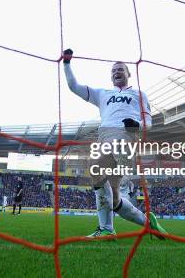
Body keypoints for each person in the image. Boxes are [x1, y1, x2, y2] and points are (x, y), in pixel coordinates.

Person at [62, 48, 167, 239]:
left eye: (120, 69)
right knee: (115, 197)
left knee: (95, 167)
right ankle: (148, 224)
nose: (116, 72)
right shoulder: (102, 94)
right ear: (111, 77)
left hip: (126, 137)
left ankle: (107, 230)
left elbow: (148, 123)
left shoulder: (139, 95)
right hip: (105, 138)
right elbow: (73, 86)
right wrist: (67, 64)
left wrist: (137, 124)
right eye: (113, 71)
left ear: (128, 74)